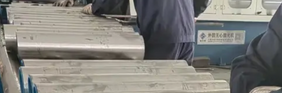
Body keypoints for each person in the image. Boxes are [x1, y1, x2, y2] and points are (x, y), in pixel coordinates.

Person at [71, 0, 210, 63]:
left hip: (161, 31)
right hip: (187, 32)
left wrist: (95, 7)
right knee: (182, 90)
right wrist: (193, 13)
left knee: (159, 92)